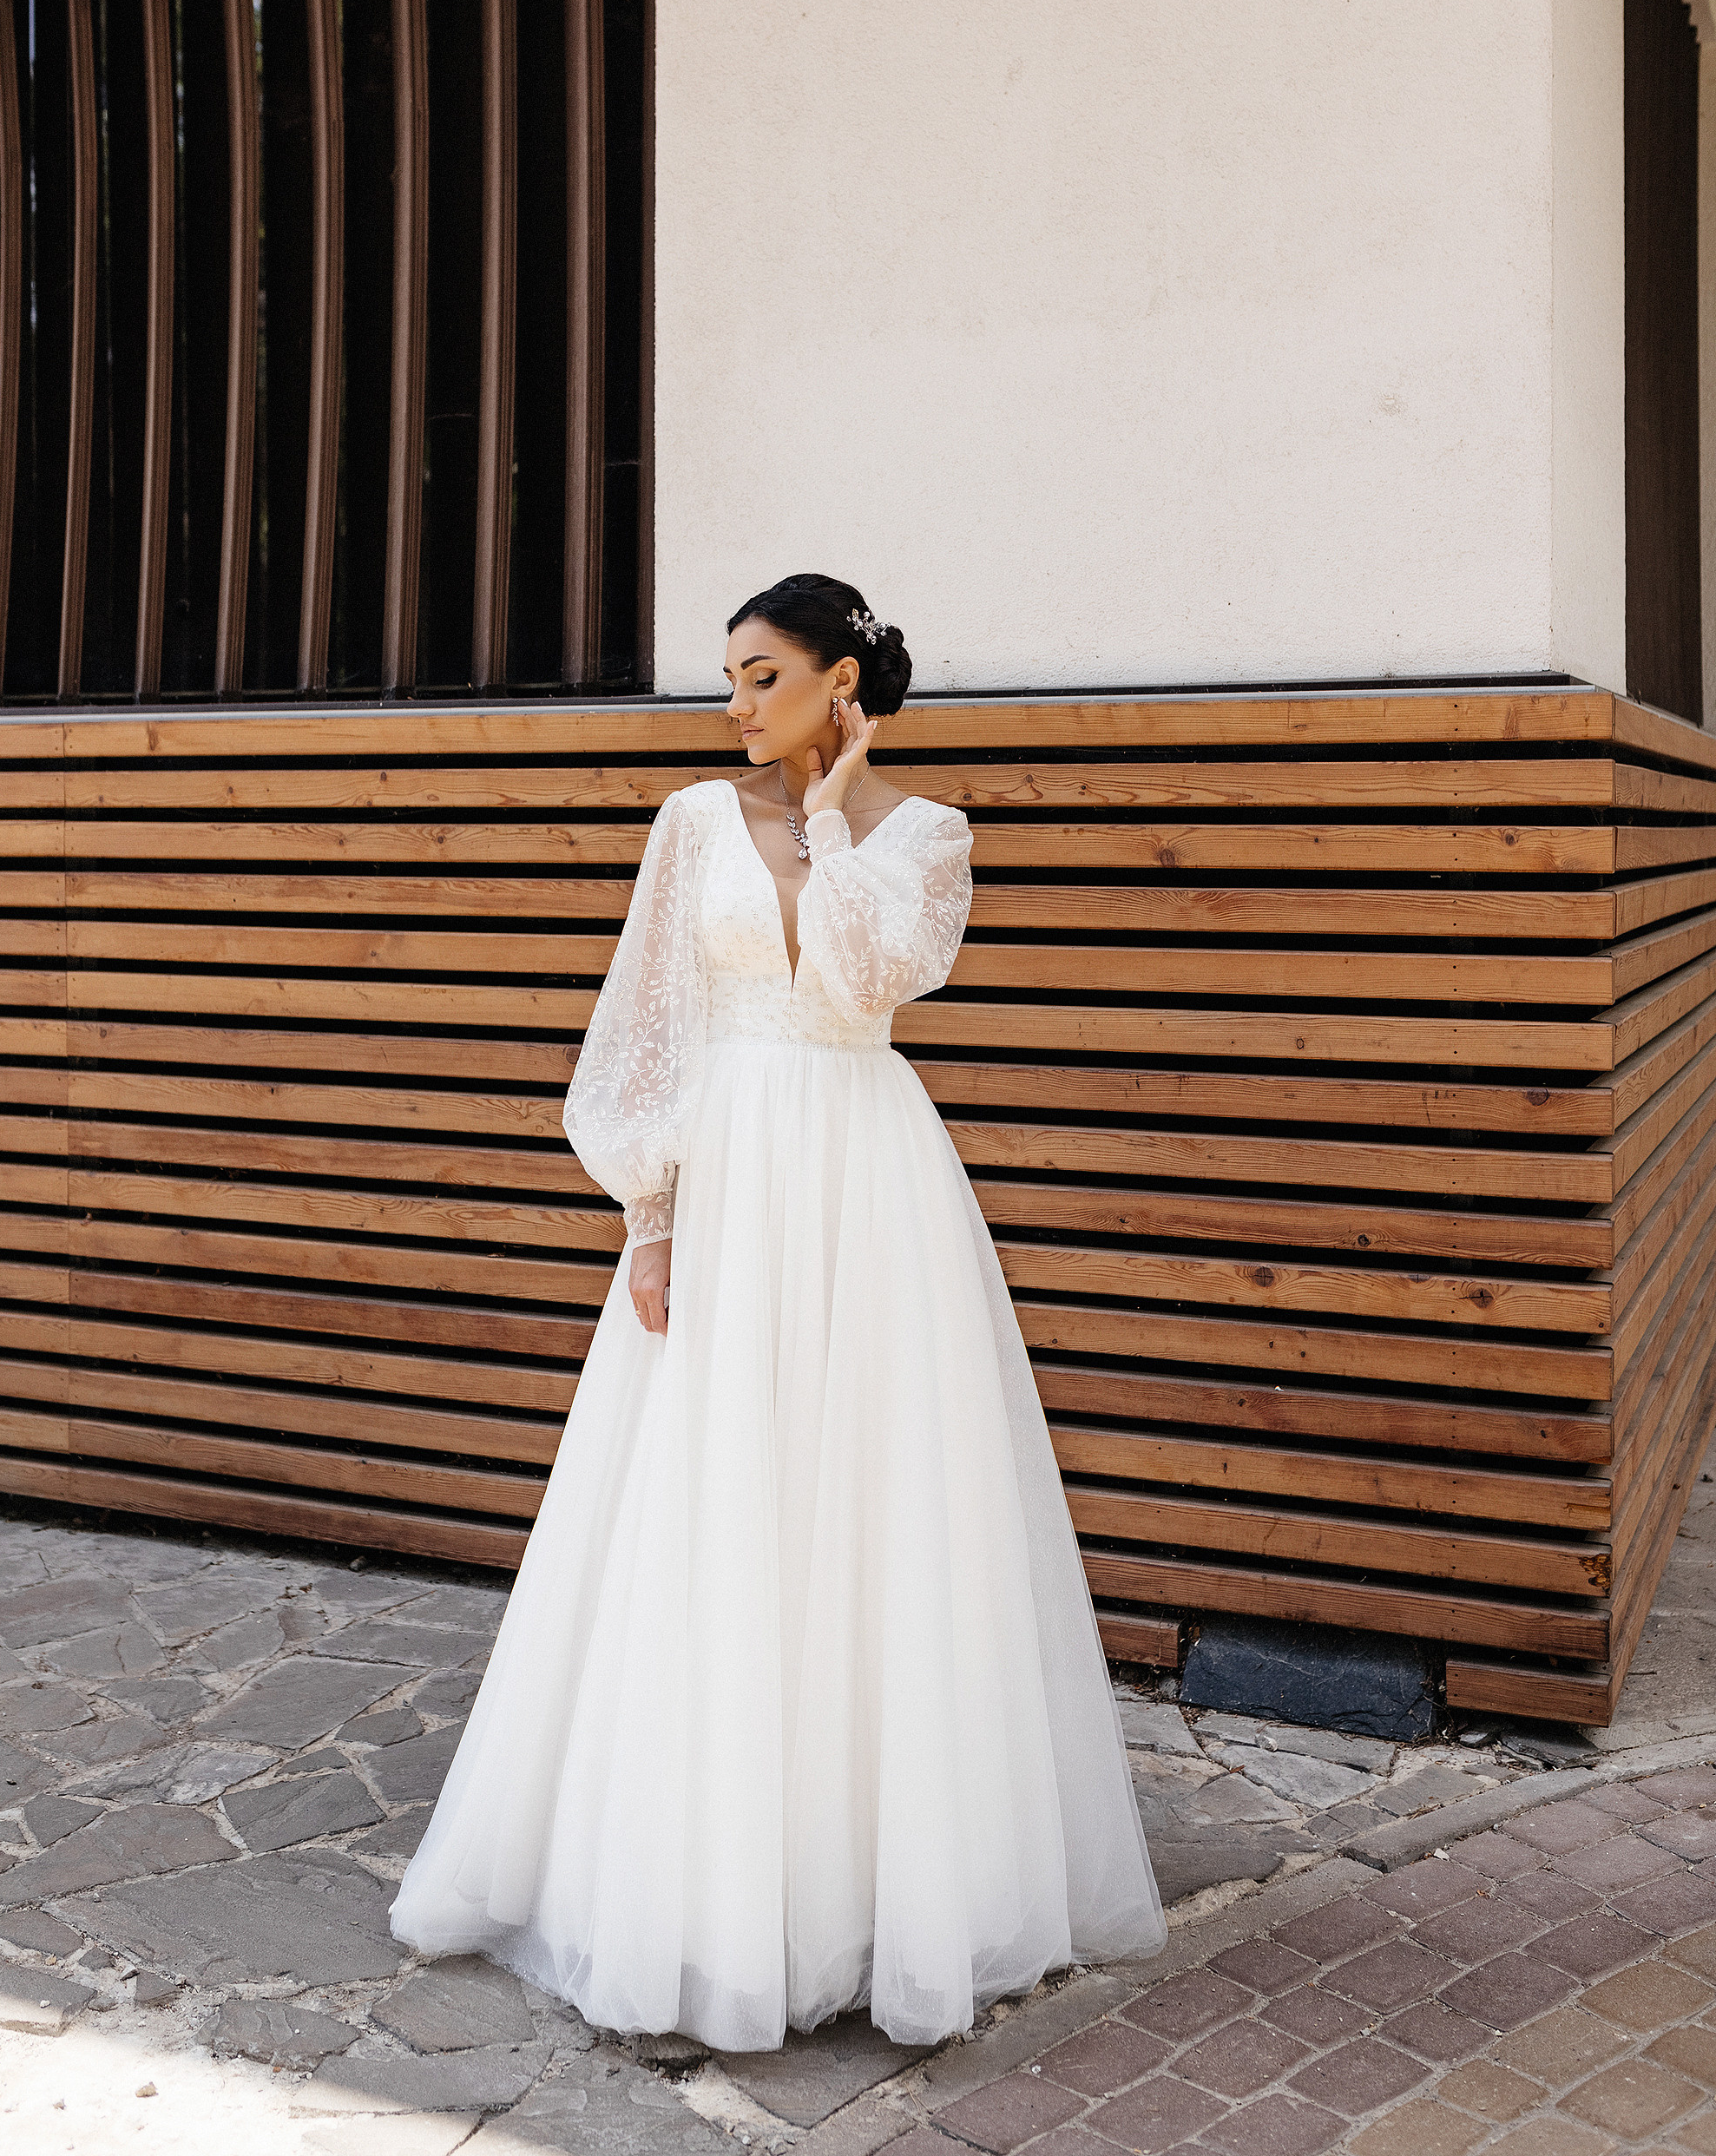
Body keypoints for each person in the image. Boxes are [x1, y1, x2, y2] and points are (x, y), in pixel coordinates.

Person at [390, 572, 1165, 2050]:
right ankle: (705, 1886)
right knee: (714, 1493)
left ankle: (878, 1888)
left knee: (878, 1505)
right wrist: (654, 1212)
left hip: (870, 1176)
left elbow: (873, 977)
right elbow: (647, 1016)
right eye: (728, 679)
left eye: (761, 677)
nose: (734, 705)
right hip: (730, 1172)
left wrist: (830, 815)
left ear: (840, 685)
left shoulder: (927, 837)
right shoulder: (689, 823)